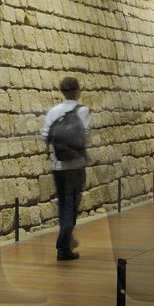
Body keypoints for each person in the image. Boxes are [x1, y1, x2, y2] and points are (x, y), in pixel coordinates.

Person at [41, 76, 90, 261]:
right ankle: (63, 248)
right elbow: (85, 137)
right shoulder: (82, 111)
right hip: (75, 166)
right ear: (77, 91)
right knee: (71, 206)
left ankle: (64, 242)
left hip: (58, 166)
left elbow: (45, 136)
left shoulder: (53, 112)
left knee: (63, 205)